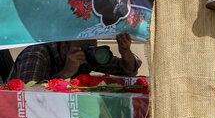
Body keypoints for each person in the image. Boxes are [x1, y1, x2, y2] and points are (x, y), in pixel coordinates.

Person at [7, 32, 141, 83]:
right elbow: (28, 94)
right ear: (64, 47)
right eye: (84, 49)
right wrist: (66, 73)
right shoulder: (37, 54)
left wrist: (125, 52)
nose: (87, 52)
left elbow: (127, 70)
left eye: (91, 47)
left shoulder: (87, 54)